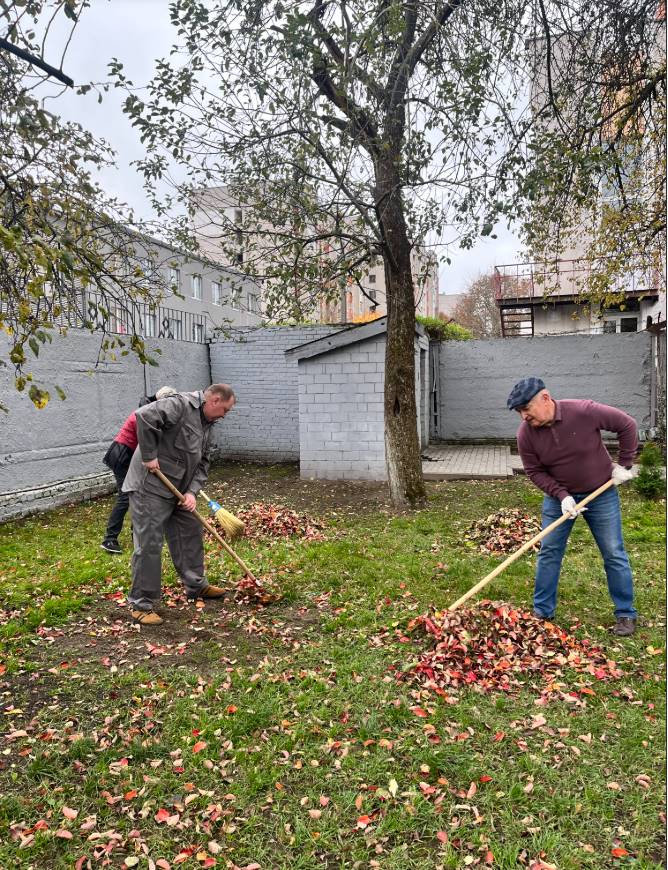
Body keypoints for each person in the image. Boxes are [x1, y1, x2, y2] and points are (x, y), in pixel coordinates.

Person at [507, 377, 638, 637]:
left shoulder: (583, 411)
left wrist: (624, 465)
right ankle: (543, 612)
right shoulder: (526, 434)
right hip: (559, 499)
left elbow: (627, 424)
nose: (523, 416)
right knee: (549, 551)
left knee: (613, 552)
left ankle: (626, 614)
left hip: (601, 493)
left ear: (545, 399)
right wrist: (562, 495)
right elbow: (534, 471)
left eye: (526, 409)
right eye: (519, 412)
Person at [122, 383, 236, 625]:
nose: (225, 415)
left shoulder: (208, 425)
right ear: (214, 400)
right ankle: (140, 604)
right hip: (150, 487)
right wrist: (149, 455)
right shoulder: (180, 405)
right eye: (224, 409)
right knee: (149, 544)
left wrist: (192, 492)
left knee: (190, 532)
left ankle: (196, 585)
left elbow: (204, 462)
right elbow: (144, 416)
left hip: (180, 492)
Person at [101, 386, 177, 553]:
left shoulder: (150, 409)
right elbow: (150, 441)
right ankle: (109, 539)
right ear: (163, 401)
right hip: (122, 455)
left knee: (137, 493)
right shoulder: (146, 413)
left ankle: (136, 535)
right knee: (126, 496)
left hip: (127, 454)